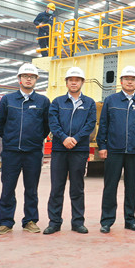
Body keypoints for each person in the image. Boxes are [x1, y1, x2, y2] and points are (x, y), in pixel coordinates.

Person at [0, 63, 50, 235]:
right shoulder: (8, 100)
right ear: (19, 79)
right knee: (7, 188)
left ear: (36, 79)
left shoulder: (43, 101)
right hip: (11, 152)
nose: (28, 79)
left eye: (31, 76)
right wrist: (10, 137)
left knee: (31, 189)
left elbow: (46, 126)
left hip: (33, 152)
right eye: (25, 76)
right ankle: (5, 222)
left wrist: (35, 138)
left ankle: (30, 221)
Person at [98, 66, 135, 233]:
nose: (130, 81)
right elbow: (103, 124)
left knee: (131, 187)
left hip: (134, 151)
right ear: (121, 81)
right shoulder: (111, 100)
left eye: (133, 79)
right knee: (110, 186)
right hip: (114, 150)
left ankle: (130, 220)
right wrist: (102, 146)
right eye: (127, 78)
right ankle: (107, 221)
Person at [44, 67, 96, 234]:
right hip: (60, 150)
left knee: (77, 188)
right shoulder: (57, 102)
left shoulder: (89, 103)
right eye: (71, 80)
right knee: (56, 187)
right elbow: (53, 123)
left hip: (79, 150)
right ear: (66, 82)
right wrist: (64, 138)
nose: (74, 82)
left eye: (77, 80)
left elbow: (90, 124)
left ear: (82, 82)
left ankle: (78, 222)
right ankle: (54, 222)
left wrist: (76, 139)